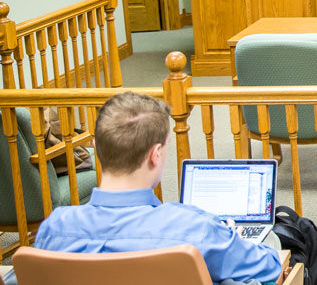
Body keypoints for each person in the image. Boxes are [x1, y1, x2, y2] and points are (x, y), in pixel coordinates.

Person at [34, 92, 283, 284]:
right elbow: (269, 266)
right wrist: (232, 241)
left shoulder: (53, 230)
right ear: (155, 155)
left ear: (97, 148)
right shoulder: (196, 231)